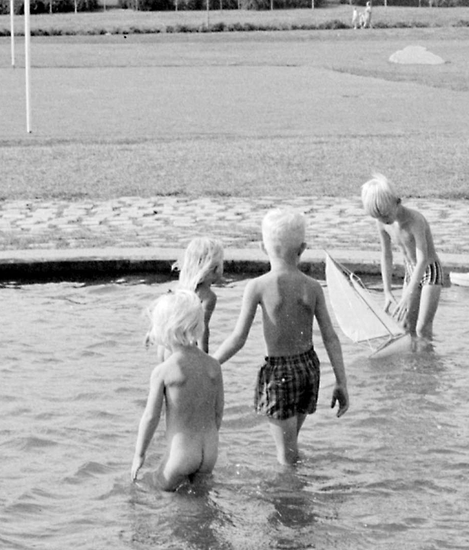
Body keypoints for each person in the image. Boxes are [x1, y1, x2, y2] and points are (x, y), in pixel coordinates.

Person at [213, 208, 349, 465]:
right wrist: (341, 381)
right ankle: (301, 484)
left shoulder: (258, 286)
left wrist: (210, 362)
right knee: (291, 445)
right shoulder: (312, 286)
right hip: (308, 368)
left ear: (263, 248)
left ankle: (291, 499)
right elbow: (330, 336)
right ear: (303, 248)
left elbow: (238, 337)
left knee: (285, 456)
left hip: (280, 375)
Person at [130, 291, 224, 491]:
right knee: (199, 497)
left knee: (149, 488)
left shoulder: (164, 371)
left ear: (165, 329)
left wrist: (139, 454)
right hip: (209, 453)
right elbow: (218, 413)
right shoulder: (213, 366)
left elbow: (150, 417)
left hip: (181, 455)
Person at [360, 173, 448, 339]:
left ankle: (428, 363)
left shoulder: (415, 221)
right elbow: (386, 255)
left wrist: (408, 293)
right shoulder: (382, 223)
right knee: (406, 326)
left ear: (397, 202)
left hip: (429, 270)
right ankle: (413, 362)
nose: (383, 220)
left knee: (422, 328)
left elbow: (422, 260)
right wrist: (387, 291)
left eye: (385, 215)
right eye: (378, 217)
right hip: (411, 270)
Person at [173, 237, 224, 353]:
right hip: (188, 350)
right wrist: (204, 358)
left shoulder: (179, 289)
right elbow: (202, 329)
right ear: (215, 268)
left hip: (171, 346)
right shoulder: (208, 296)